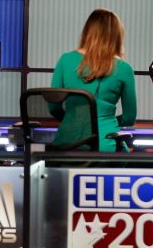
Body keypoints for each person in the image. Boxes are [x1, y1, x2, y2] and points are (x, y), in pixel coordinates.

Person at [50, 8, 137, 152]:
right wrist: (107, 121)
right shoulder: (124, 68)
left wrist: (74, 121)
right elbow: (129, 117)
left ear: (87, 31)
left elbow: (53, 107)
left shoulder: (65, 60)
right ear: (116, 36)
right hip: (106, 144)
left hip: (68, 144)